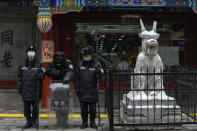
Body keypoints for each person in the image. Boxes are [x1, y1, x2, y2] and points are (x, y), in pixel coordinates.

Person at [76, 46, 104, 129]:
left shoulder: (96, 65)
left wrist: (99, 70)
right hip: (83, 90)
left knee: (92, 109)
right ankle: (84, 122)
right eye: (84, 56)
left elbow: (102, 76)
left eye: (87, 56)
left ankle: (92, 122)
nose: (85, 57)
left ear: (91, 56)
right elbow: (77, 78)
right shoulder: (80, 65)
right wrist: (77, 89)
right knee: (83, 109)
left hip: (92, 90)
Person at [17, 44, 45, 129]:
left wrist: (40, 75)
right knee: (26, 109)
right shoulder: (22, 65)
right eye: (29, 51)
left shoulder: (40, 64)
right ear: (27, 53)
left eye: (32, 51)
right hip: (25, 89)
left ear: (35, 53)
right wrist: (20, 87)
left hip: (35, 89)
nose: (31, 53)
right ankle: (28, 122)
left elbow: (43, 74)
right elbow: (19, 77)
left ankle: (34, 121)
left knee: (35, 108)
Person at [46, 51, 73, 127]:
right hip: (55, 86)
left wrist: (67, 77)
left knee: (65, 105)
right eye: (57, 59)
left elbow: (70, 71)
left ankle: (65, 121)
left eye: (60, 59)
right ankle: (58, 121)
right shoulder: (52, 63)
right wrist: (59, 72)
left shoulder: (68, 62)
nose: (59, 61)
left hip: (65, 87)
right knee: (56, 105)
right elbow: (48, 72)